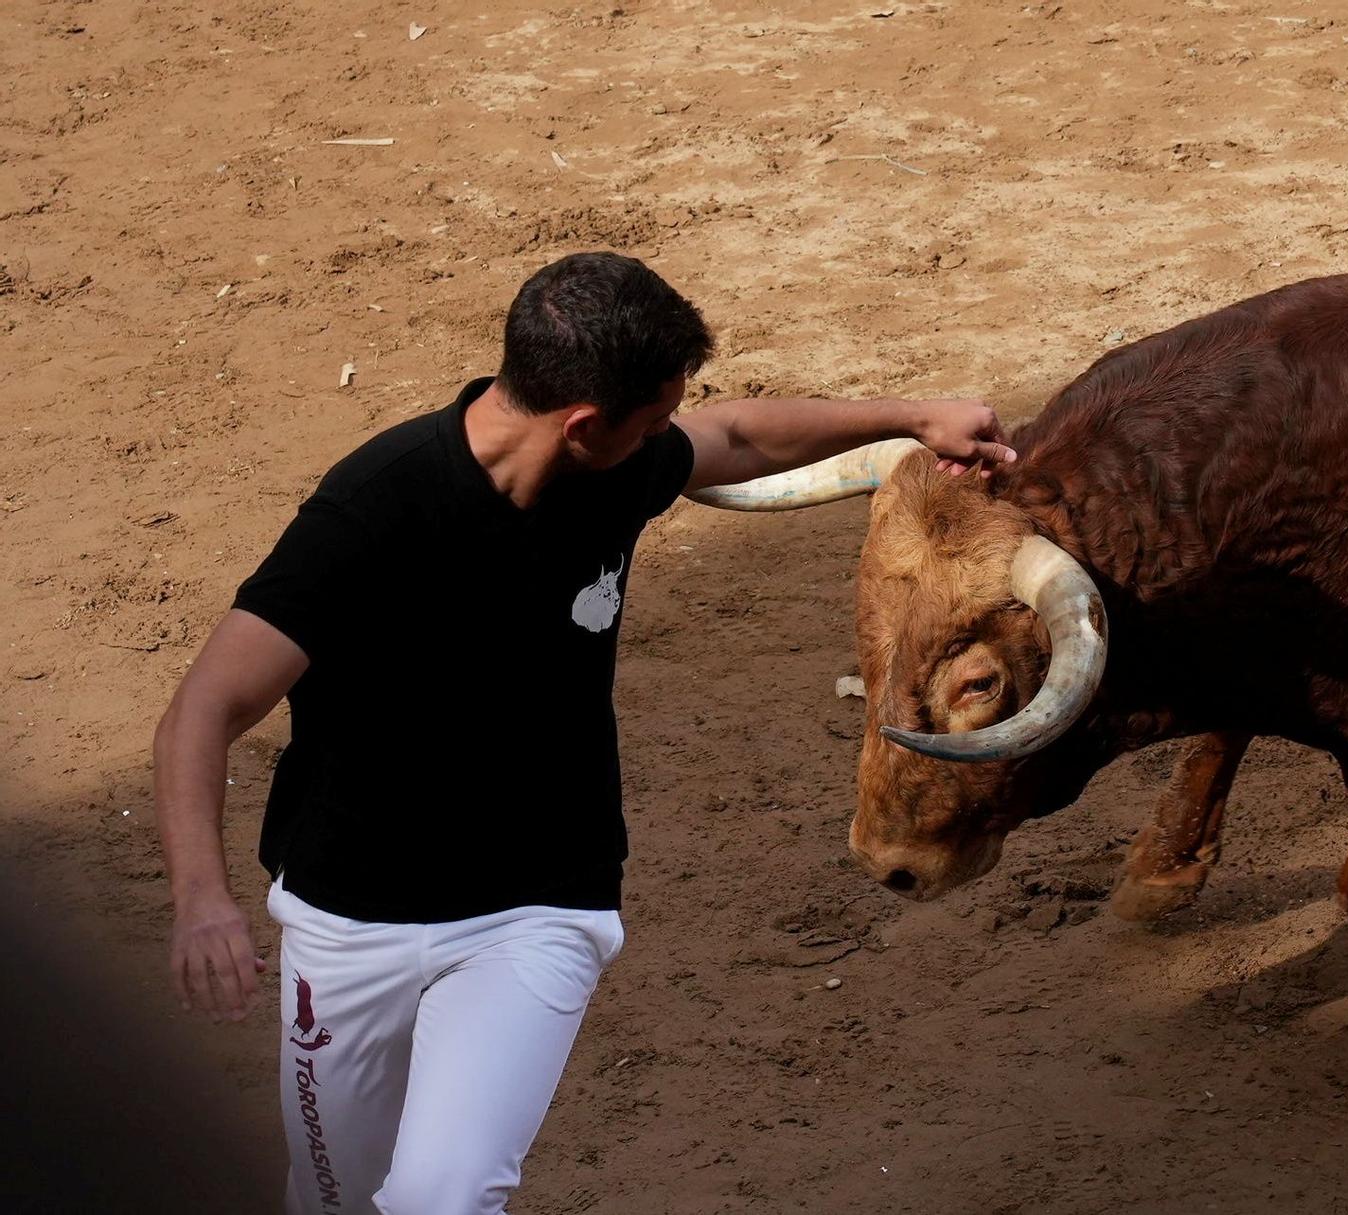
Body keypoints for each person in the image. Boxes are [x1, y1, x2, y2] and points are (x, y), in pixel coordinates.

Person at [151, 251, 1014, 1215]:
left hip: (538, 906)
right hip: (350, 920)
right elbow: (204, 710)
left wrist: (912, 414)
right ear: (582, 424)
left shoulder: (617, 465)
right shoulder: (374, 511)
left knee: (443, 1196)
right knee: (335, 1199)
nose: (665, 438)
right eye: (650, 418)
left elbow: (734, 434)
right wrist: (201, 900)